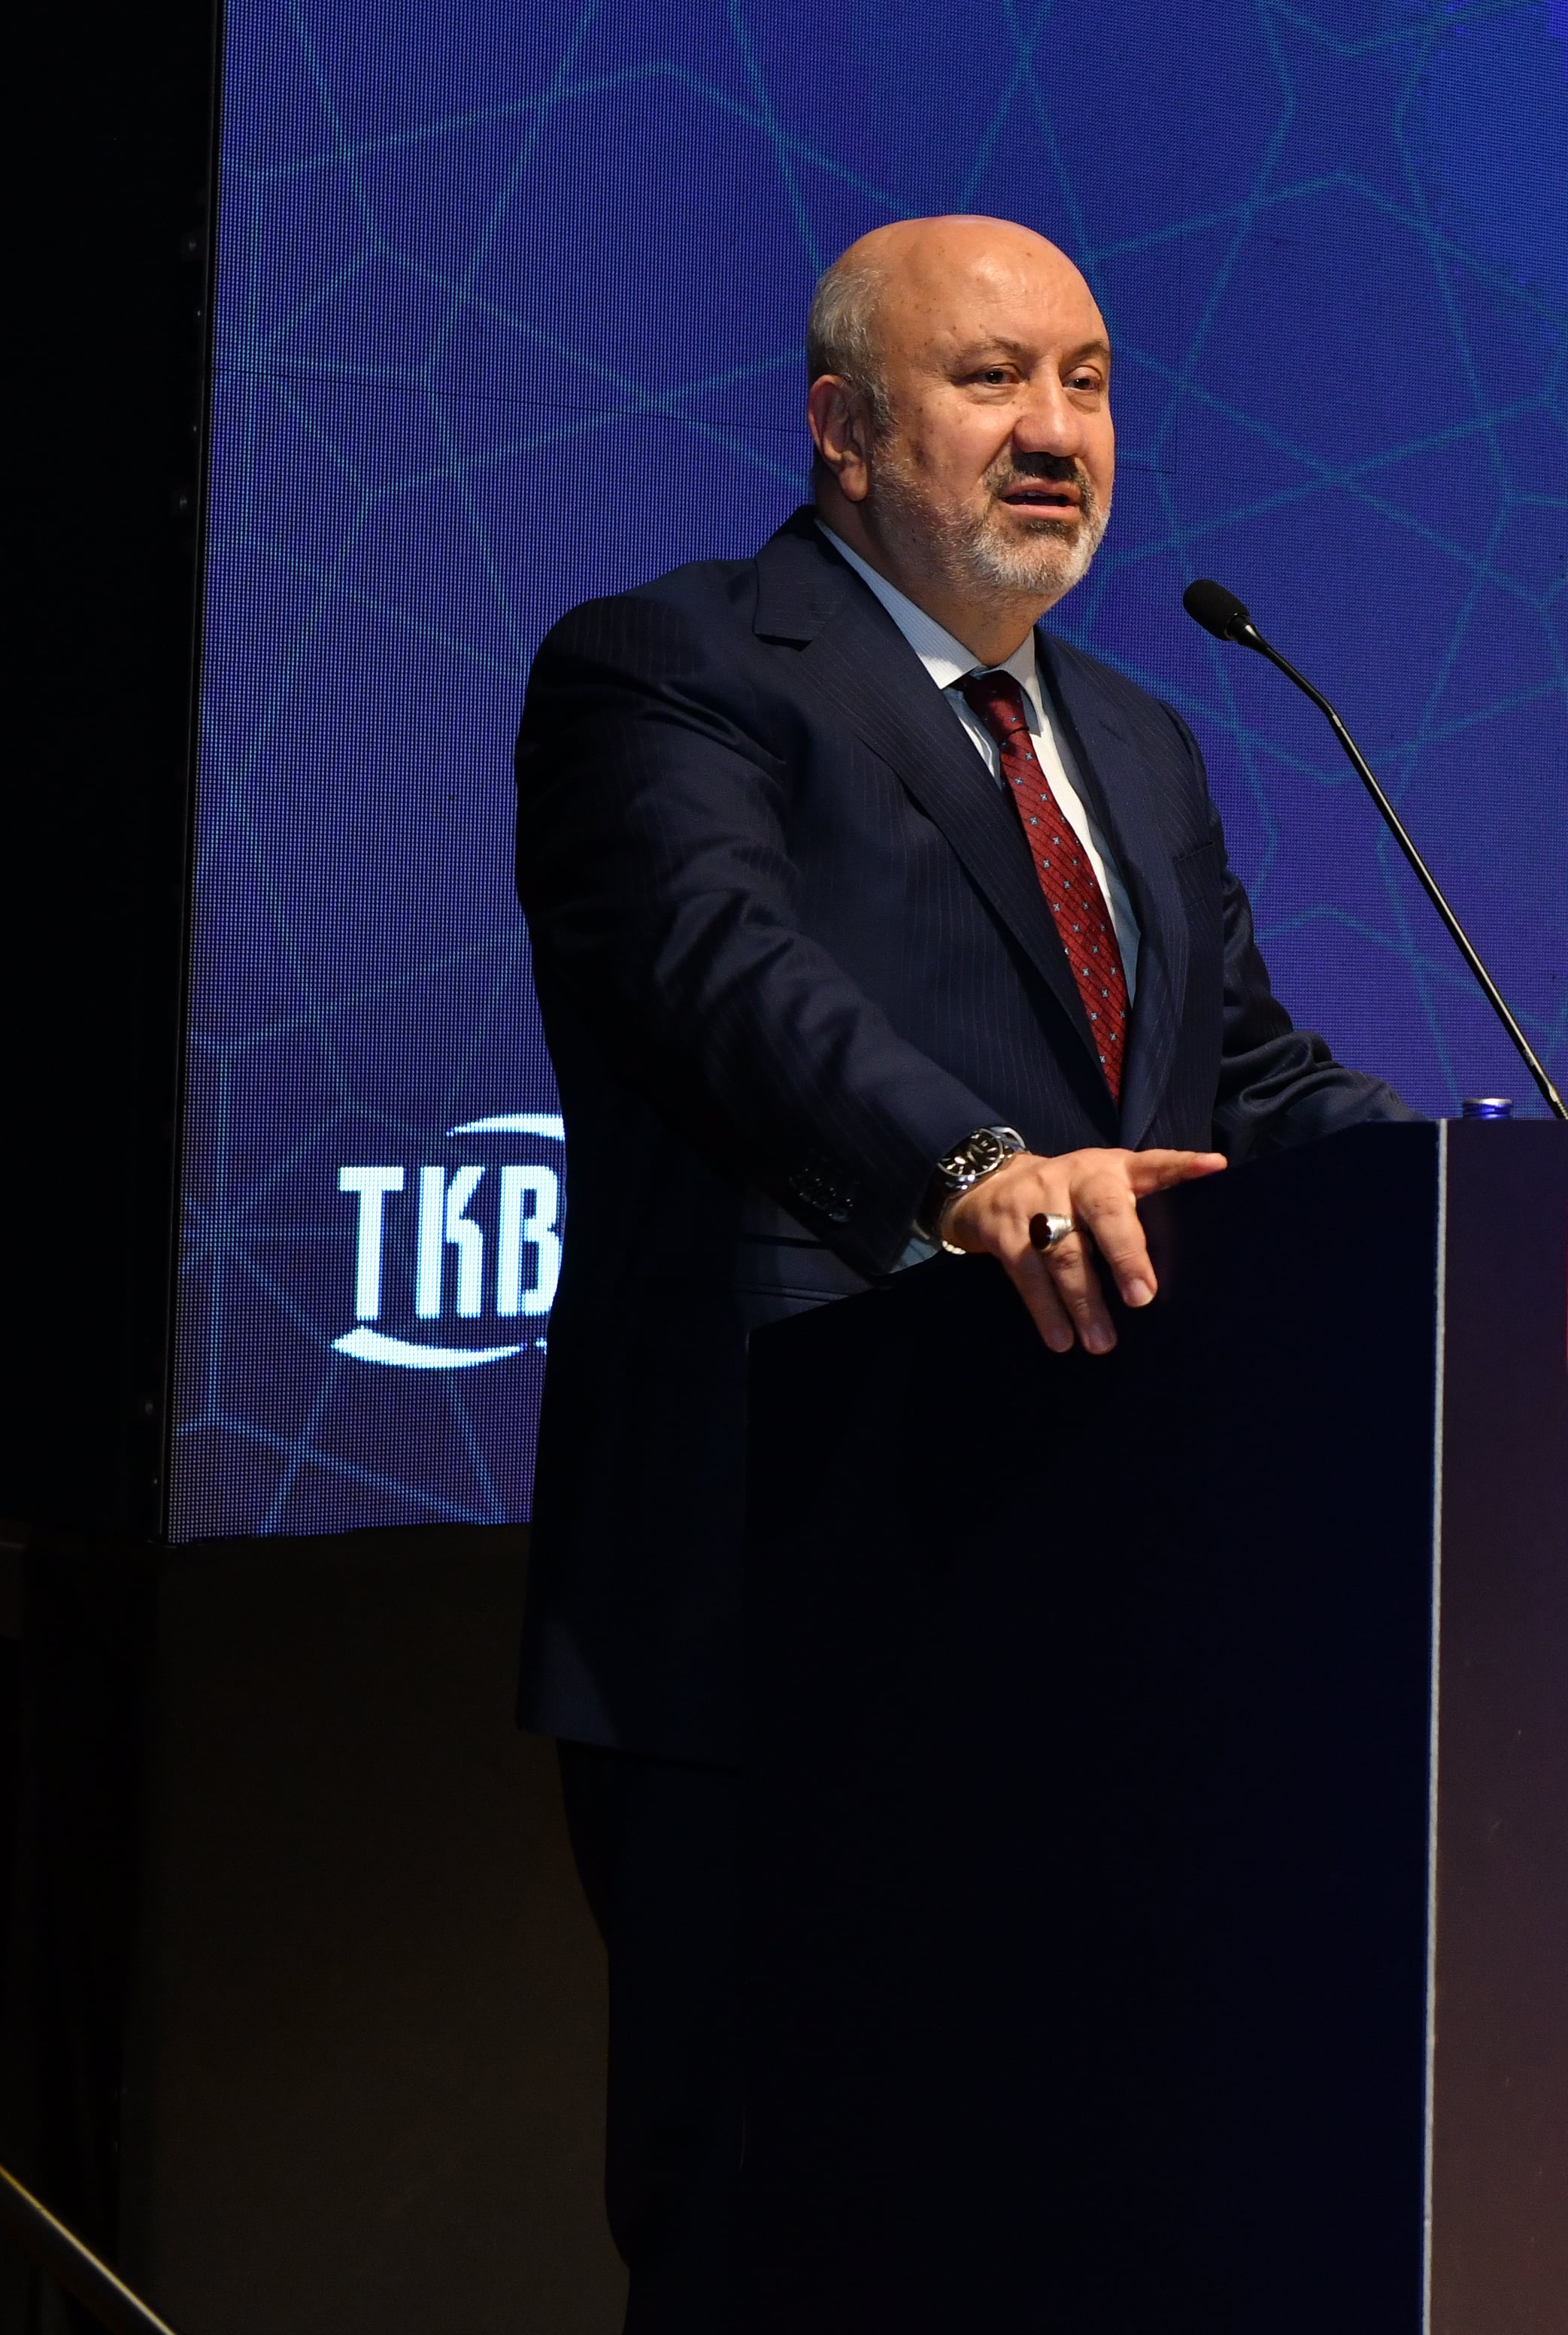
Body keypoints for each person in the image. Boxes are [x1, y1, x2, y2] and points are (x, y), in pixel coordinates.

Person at [508, 212, 1409, 2326]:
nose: (1055, 431)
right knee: (775, 2230)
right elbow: (728, 978)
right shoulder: (674, 666)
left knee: (1064, 2213)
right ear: (842, 427)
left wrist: (1493, 1193)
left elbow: (1239, 1072)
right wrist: (981, 1171)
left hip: (1092, 1599)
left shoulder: (1139, 737)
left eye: (1085, 383)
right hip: (781, 1589)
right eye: (990, 380)